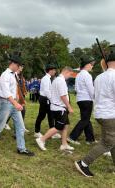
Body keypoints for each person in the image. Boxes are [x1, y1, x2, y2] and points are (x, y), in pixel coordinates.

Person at [75, 45, 115, 177]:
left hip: (100, 113)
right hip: (110, 115)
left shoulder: (99, 77)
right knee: (108, 142)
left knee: (112, 140)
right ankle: (83, 163)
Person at [0, 55, 35, 156]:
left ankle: (21, 148)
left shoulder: (14, 75)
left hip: (12, 103)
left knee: (21, 126)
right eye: (18, 66)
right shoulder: (5, 75)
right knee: (0, 125)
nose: (19, 68)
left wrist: (17, 97)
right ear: (13, 64)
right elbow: (6, 91)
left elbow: (13, 89)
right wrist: (16, 103)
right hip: (5, 103)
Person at [36, 66, 74, 151]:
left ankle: (64, 144)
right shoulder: (60, 81)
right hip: (59, 108)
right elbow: (63, 96)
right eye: (70, 74)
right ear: (66, 72)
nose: (70, 76)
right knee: (58, 127)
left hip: (59, 107)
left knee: (65, 125)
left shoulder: (57, 80)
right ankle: (41, 139)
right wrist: (69, 107)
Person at [68, 56, 96, 145]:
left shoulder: (79, 74)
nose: (92, 66)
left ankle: (90, 139)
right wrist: (95, 99)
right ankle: (72, 137)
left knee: (86, 119)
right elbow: (91, 89)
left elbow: (76, 88)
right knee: (85, 120)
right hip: (87, 99)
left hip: (80, 99)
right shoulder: (87, 75)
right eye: (91, 64)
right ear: (87, 65)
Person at [34, 64, 58, 138]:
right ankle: (37, 131)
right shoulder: (46, 78)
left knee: (51, 116)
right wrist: (52, 99)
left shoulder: (48, 78)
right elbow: (47, 91)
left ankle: (52, 132)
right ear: (50, 70)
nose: (55, 71)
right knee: (41, 115)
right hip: (44, 99)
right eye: (54, 70)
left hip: (47, 99)